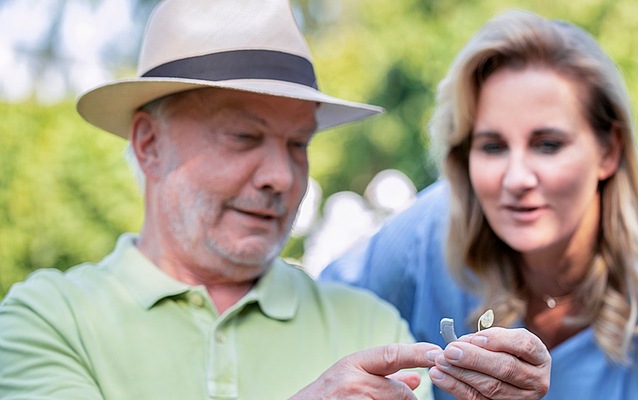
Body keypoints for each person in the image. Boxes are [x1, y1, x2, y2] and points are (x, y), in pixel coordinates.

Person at [0, 1, 551, 399]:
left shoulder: (370, 328)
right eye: (243, 136)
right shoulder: (49, 320)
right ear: (148, 143)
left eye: (298, 143)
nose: (281, 175)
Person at [321, 9, 638, 400]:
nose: (517, 178)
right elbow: (308, 316)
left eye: (547, 144)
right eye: (492, 146)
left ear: (608, 151)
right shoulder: (430, 231)